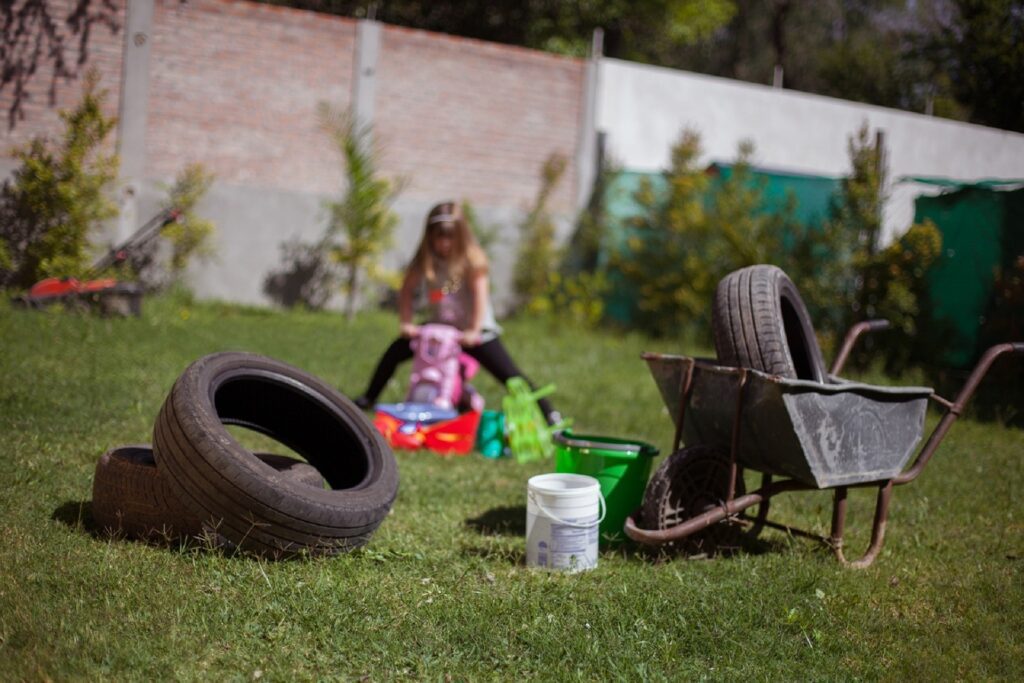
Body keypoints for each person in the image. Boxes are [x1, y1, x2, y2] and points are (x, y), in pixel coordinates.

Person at [353, 201, 561, 425]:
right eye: (438, 237)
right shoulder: (426, 259)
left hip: (475, 330)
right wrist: (406, 323)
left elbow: (480, 296)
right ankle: (368, 398)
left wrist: (473, 330)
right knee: (395, 352)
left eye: (450, 237)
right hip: (439, 329)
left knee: (509, 374)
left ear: (461, 236)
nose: (444, 243)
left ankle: (549, 413)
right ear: (430, 236)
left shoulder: (472, 259)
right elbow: (407, 289)